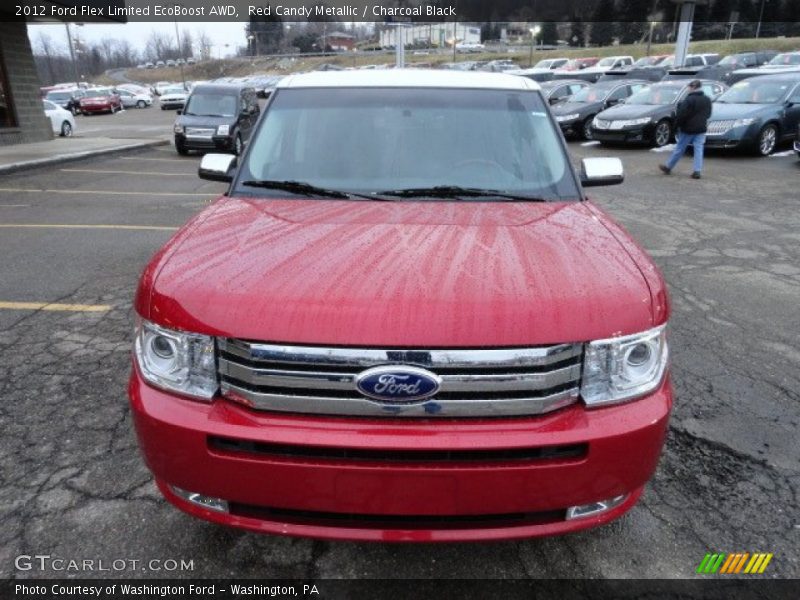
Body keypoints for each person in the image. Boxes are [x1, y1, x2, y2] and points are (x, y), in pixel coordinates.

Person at [659, 80, 712, 179]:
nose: (688, 89)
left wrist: (676, 126)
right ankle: (697, 171)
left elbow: (681, 115)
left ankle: (668, 167)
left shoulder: (688, 100)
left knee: (680, 148)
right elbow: (708, 114)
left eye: (689, 87)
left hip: (688, 129)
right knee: (698, 149)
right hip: (701, 128)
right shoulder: (707, 99)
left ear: (693, 87)